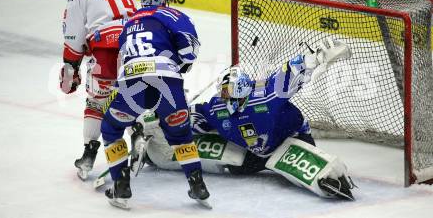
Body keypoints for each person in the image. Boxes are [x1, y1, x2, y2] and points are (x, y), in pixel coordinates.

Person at [142, 38, 357, 200]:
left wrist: (315, 58)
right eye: (225, 94)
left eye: (232, 94)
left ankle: (330, 175)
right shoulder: (218, 108)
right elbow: (193, 116)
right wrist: (160, 119)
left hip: (290, 138)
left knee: (303, 174)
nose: (227, 100)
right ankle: (156, 154)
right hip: (252, 153)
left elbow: (289, 73)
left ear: (244, 91)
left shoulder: (265, 95)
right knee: (233, 166)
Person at [100, 0, 210, 209]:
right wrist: (181, 66)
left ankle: (121, 185)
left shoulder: (129, 22)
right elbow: (189, 49)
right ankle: (197, 184)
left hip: (132, 84)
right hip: (166, 82)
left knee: (111, 128)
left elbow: (122, 54)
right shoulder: (172, 14)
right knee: (180, 135)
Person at [59, 0, 136, 180]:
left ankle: (89, 153)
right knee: (134, 96)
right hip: (134, 49)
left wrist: (71, 67)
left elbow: (74, 37)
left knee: (96, 104)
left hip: (104, 54)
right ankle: (140, 134)